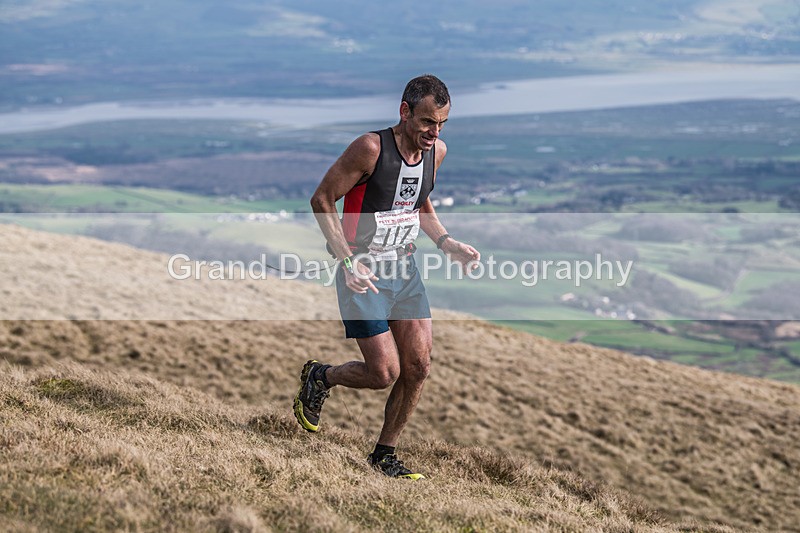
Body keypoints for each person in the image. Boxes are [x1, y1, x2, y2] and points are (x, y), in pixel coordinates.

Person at [294, 74, 480, 480]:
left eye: (442, 124)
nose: (434, 132)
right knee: (383, 373)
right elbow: (322, 199)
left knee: (419, 366)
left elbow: (418, 203)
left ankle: (384, 455)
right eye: (427, 121)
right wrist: (347, 261)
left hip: (404, 269)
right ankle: (320, 377)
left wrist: (446, 242)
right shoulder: (371, 149)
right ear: (404, 111)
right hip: (362, 272)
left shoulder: (436, 152)